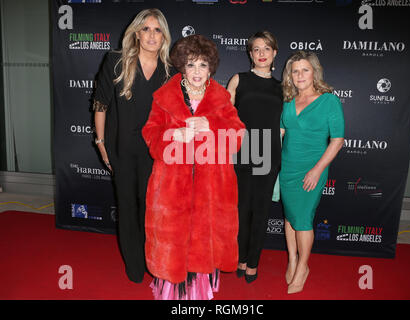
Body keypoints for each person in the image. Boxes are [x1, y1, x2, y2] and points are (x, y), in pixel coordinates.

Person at [142, 34, 245, 300]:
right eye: (190, 64)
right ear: (181, 66)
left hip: (211, 187)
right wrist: (172, 136)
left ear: (210, 67)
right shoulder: (164, 97)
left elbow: (238, 135)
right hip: (172, 185)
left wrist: (212, 128)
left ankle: (199, 292)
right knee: (173, 242)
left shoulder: (221, 98)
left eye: (202, 65)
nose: (196, 71)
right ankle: (174, 292)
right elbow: (150, 133)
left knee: (203, 242)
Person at [93, 8, 173, 283]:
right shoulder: (116, 61)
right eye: (147, 29)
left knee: (152, 210)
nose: (152, 35)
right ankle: (134, 265)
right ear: (137, 33)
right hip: (122, 149)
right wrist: (101, 142)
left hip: (157, 153)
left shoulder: (170, 70)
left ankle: (153, 261)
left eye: (157, 29)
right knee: (127, 208)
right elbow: (101, 103)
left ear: (164, 36)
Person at [280, 50, 345, 294]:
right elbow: (281, 132)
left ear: (314, 72)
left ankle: (303, 267)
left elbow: (337, 140)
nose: (300, 75)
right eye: (295, 71)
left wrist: (317, 170)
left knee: (303, 219)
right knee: (289, 217)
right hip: (287, 167)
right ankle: (293, 260)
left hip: (312, 168)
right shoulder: (288, 99)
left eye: (305, 69)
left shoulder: (329, 100)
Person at [227, 31, 283, 283]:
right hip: (242, 152)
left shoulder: (282, 88)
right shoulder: (239, 80)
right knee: (241, 211)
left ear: (274, 53)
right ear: (250, 54)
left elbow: (282, 127)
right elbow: (226, 118)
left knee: (260, 212)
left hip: (269, 153)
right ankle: (240, 258)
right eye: (256, 49)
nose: (261, 53)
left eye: (266, 49)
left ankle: (253, 264)